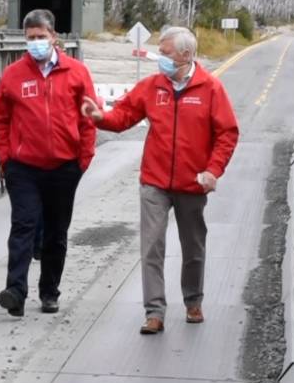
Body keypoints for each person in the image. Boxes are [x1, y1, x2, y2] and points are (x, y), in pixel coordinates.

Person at [81, 26, 239, 334]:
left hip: (193, 183)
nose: (160, 58)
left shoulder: (210, 89)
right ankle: (154, 311)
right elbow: (124, 116)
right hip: (154, 181)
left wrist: (213, 171)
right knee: (151, 246)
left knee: (193, 246)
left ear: (185, 55)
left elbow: (227, 134)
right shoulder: (152, 86)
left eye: (165, 53)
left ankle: (193, 300)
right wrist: (99, 117)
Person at [0, 9, 96, 317]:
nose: (36, 43)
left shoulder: (76, 72)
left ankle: (49, 291)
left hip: (65, 167)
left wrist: (83, 158)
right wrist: (6, 157)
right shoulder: (13, 74)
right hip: (24, 167)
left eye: (41, 37)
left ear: (54, 37)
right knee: (23, 225)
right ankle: (16, 291)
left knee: (55, 232)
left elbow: (89, 117)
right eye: (30, 38)